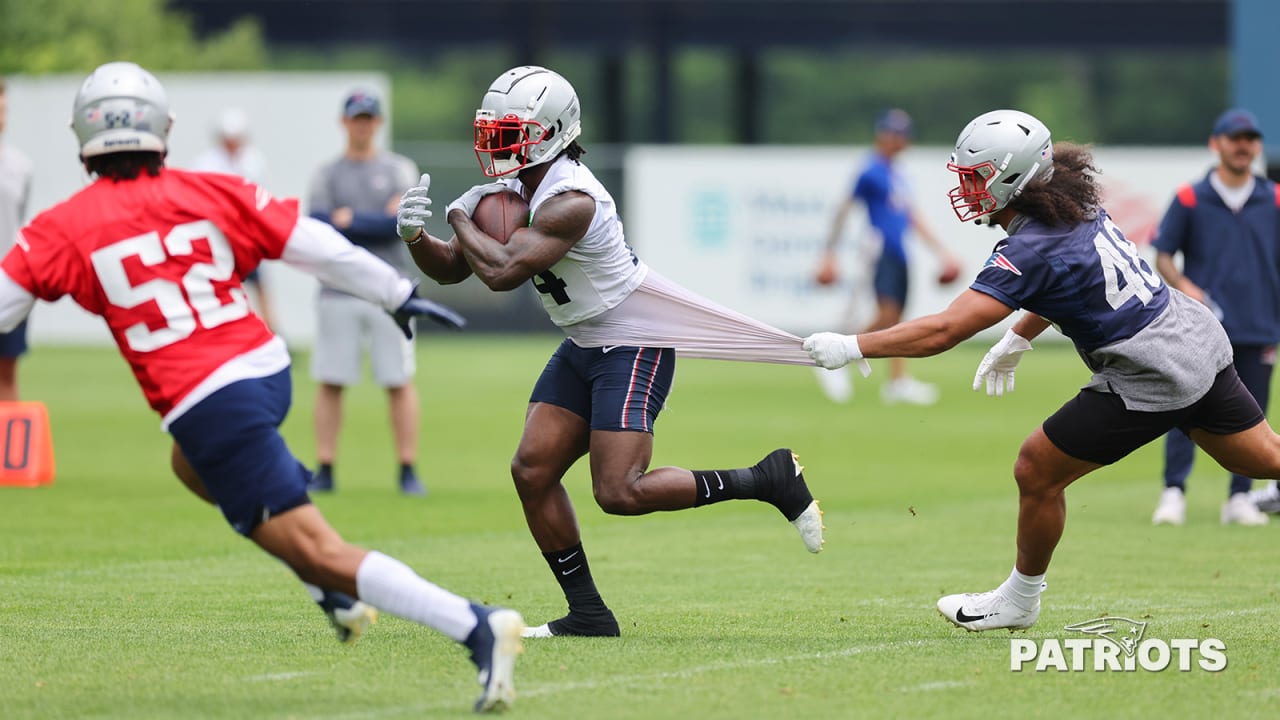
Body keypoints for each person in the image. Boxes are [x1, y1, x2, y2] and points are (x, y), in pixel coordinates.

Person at [0, 61, 522, 712]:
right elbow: (311, 244)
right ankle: (326, 580)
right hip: (264, 369)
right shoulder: (211, 188)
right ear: (162, 127)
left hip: (210, 401)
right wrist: (397, 291)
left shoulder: (58, 229)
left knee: (320, 548)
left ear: (83, 134)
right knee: (189, 464)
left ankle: (474, 626)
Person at [803, 108, 1280, 632]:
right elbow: (1066, 281)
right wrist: (1017, 335)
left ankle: (1020, 600)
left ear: (1011, 177)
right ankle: (1019, 599)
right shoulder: (1070, 201)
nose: (967, 187)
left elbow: (947, 329)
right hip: (1192, 336)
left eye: (975, 176)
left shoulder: (1034, 245)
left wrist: (852, 345)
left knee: (1036, 468)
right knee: (1267, 458)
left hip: (1153, 369)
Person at [395, 65, 826, 638]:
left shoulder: (572, 198)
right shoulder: (515, 188)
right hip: (584, 340)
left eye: (510, 132)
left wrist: (455, 215)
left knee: (619, 491)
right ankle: (589, 615)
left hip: (632, 340)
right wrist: (416, 239)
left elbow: (499, 274)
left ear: (550, 132)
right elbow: (453, 270)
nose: (496, 144)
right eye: (492, 130)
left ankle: (767, 478)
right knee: (532, 469)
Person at [1149, 108, 1277, 527]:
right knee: (1183, 407)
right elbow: (1163, 255)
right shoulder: (1190, 197)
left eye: (1250, 139)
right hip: (1201, 328)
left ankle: (1239, 497)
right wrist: (1185, 287)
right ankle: (1174, 493)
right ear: (1216, 143)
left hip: (1259, 324)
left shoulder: (1274, 198)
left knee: (1253, 414)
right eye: (1234, 138)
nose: (1243, 146)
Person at [307, 90, 424, 495]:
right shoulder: (328, 172)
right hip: (337, 289)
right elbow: (319, 225)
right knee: (331, 379)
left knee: (398, 379)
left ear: (378, 122)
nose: (362, 124)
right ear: (345, 122)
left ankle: (407, 467)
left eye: (368, 118)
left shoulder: (398, 168)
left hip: (388, 289)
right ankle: (325, 465)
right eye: (356, 117)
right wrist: (370, 219)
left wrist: (352, 219)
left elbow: (398, 222)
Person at [813, 108, 961, 406]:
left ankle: (896, 381)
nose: (898, 139)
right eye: (893, 132)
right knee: (887, 314)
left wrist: (942, 252)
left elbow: (911, 217)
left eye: (902, 134)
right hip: (880, 247)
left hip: (899, 249)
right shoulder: (871, 170)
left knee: (896, 317)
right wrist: (829, 253)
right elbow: (844, 209)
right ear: (880, 134)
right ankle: (839, 353)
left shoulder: (898, 175)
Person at [192, 107, 277, 332]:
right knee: (219, 286)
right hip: (218, 238)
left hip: (246, 237)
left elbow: (259, 198)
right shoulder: (206, 162)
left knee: (259, 286)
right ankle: (220, 330)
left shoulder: (253, 160)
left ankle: (272, 330)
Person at [0, 77, 33, 401]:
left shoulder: (21, 166)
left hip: (7, 281)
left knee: (6, 376)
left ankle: (6, 450)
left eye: (4, 109)